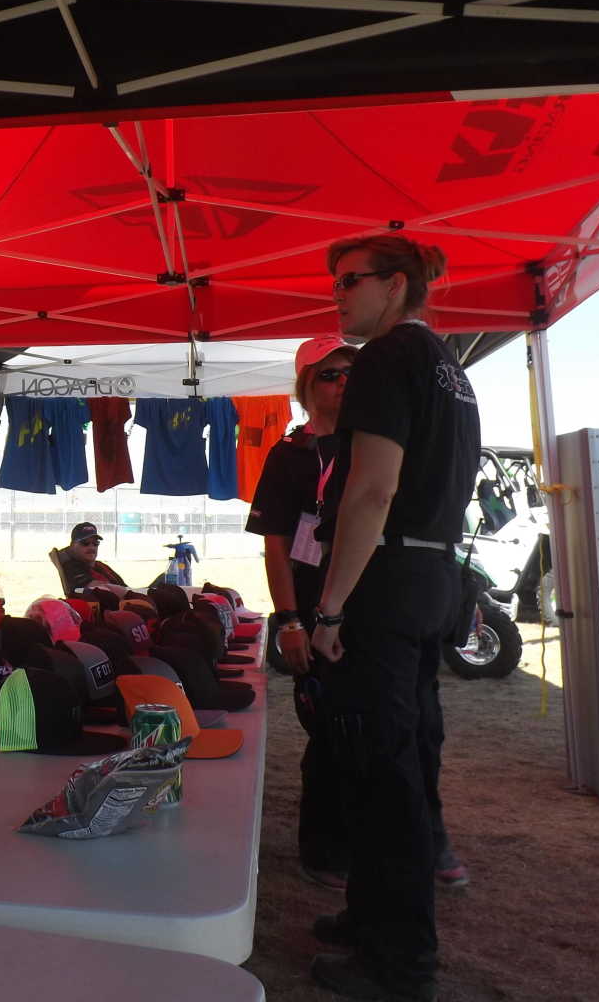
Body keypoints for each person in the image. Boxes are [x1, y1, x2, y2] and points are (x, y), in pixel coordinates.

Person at [307, 235, 481, 1002]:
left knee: (383, 771)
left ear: (397, 284)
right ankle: (370, 915)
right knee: (395, 754)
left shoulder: (385, 358)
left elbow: (372, 492)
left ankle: (398, 962)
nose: (338, 293)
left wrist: (330, 607)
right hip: (433, 573)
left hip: (388, 578)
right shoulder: (450, 367)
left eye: (351, 280)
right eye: (336, 282)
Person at [246, 336, 357, 890]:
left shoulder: (374, 446)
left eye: (350, 373)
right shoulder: (289, 455)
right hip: (312, 615)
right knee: (328, 729)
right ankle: (324, 848)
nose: (343, 383)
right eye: (329, 375)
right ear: (306, 387)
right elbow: (276, 546)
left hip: (373, 611)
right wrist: (288, 620)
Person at [57, 522, 129, 593]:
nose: (92, 547)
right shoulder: (71, 568)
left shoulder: (101, 566)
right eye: (85, 543)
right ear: (72, 545)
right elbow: (95, 588)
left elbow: (125, 587)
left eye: (95, 543)